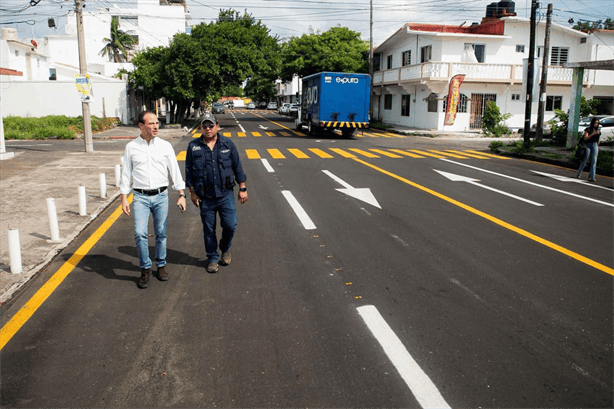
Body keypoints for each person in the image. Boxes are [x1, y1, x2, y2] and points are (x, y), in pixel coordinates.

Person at [120, 110, 187, 289]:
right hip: (140, 196)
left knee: (161, 232)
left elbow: (174, 170)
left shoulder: (165, 146)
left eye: (157, 123)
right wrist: (124, 198)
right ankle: (145, 268)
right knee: (140, 233)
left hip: (161, 196)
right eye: (151, 123)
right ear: (141, 126)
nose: (156, 126)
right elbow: (126, 174)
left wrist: (181, 194)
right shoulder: (131, 147)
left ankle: (162, 265)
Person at [185, 112, 247, 273]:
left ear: (217, 126)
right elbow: (189, 171)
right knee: (208, 229)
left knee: (230, 225)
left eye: (211, 125)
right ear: (200, 128)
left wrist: (242, 188)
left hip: (225, 194)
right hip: (205, 196)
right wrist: (192, 192)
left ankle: (225, 248)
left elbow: (237, 166)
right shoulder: (193, 146)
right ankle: (212, 258)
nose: (208, 128)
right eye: (204, 126)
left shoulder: (227, 144)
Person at [576, 117, 601, 182]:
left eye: (597, 123)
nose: (596, 124)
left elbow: (598, 139)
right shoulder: (588, 129)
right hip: (588, 145)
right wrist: (593, 134)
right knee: (585, 159)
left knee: (594, 161)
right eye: (595, 123)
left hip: (595, 145)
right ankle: (579, 173)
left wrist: (598, 141)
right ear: (592, 123)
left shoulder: (598, 131)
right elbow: (586, 138)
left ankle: (592, 176)